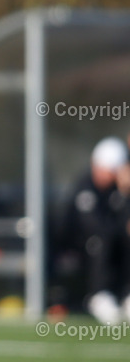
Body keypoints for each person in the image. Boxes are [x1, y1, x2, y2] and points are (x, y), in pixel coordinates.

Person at [54, 137, 130, 324]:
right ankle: (100, 295)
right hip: (79, 245)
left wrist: (125, 193)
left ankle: (127, 295)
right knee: (100, 240)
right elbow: (93, 226)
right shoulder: (85, 186)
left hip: (111, 242)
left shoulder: (119, 189)